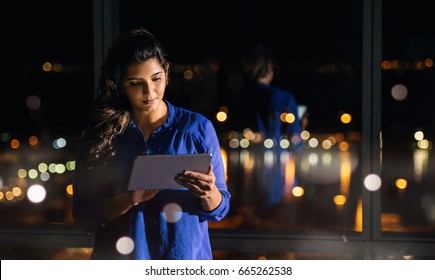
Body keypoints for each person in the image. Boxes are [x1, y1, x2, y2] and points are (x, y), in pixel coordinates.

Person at [72, 28, 231, 260]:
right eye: (136, 83)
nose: (150, 92)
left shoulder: (197, 129)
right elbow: (85, 216)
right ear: (119, 84)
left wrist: (210, 192)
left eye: (156, 78)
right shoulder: (101, 134)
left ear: (166, 72)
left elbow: (221, 209)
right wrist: (128, 199)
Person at [236, 44, 303, 227]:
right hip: (275, 172)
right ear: (269, 69)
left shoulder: (239, 97)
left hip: (242, 171)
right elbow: (295, 140)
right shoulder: (283, 98)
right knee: (275, 227)